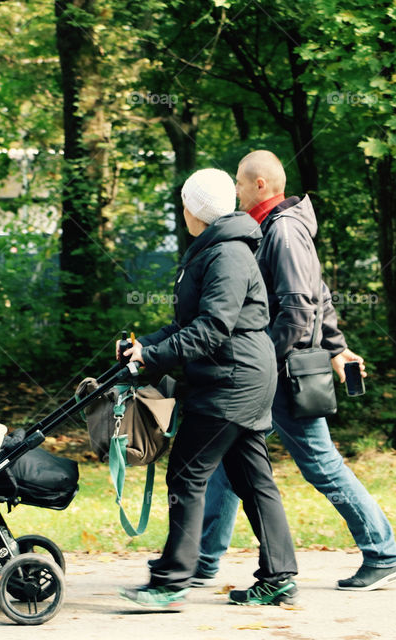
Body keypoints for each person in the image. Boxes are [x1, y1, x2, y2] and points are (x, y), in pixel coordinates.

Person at [193, 150, 396, 592]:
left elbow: (297, 309)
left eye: (238, 181)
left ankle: (383, 553)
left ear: (259, 185)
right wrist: (337, 346)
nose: (233, 189)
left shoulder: (284, 230)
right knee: (227, 459)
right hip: (279, 369)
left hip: (284, 374)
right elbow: (320, 294)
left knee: (322, 465)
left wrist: (261, 363)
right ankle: (204, 558)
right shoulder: (273, 228)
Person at [117, 168, 298, 609]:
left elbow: (213, 328)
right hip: (238, 376)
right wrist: (146, 346)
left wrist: (154, 359)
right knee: (251, 478)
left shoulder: (227, 254)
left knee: (186, 472)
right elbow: (186, 326)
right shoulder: (214, 250)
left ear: (192, 209)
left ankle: (171, 579)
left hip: (230, 381)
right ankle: (279, 577)